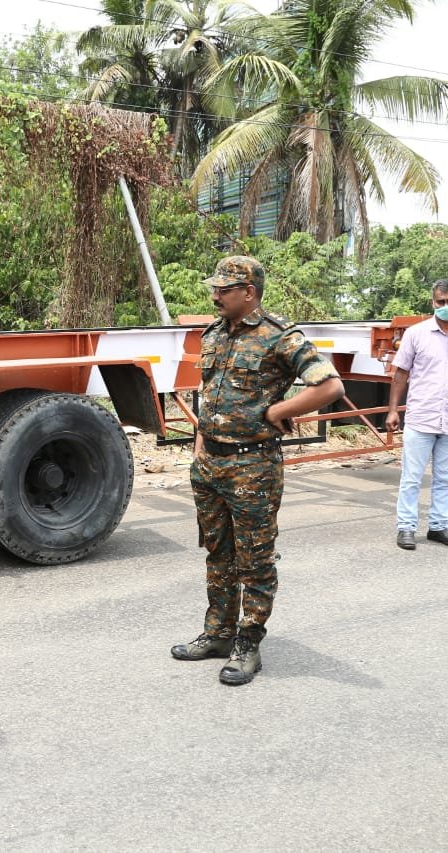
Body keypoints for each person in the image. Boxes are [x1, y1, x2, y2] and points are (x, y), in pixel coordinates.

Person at [170, 255, 344, 686]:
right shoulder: (213, 334)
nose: (215, 296)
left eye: (224, 289)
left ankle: (248, 644)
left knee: (255, 560)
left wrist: (278, 411)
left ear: (249, 293)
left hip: (252, 467)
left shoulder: (279, 337)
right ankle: (218, 633)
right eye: (215, 288)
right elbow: (207, 394)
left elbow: (330, 385)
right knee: (218, 553)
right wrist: (198, 448)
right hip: (209, 463)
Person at [385, 280, 448, 550]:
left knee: (446, 478)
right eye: (440, 302)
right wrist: (393, 410)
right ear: (433, 303)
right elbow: (401, 374)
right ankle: (406, 528)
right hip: (421, 416)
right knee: (412, 477)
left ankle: (439, 526)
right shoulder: (416, 334)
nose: (445, 307)